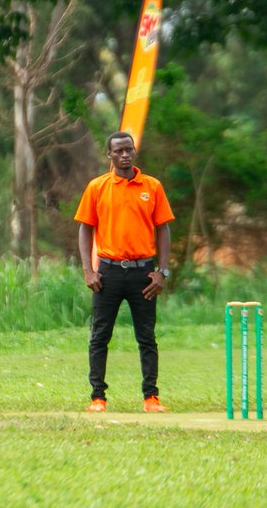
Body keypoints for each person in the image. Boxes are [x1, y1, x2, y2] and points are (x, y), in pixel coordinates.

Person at [75, 131, 174, 413]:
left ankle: (151, 397)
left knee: (146, 336)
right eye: (118, 151)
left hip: (144, 273)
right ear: (109, 155)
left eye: (128, 149)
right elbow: (85, 228)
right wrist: (88, 270)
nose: (124, 154)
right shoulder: (97, 187)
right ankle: (98, 397)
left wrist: (162, 272)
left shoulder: (152, 186)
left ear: (134, 151)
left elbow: (163, 228)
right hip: (108, 273)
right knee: (100, 336)